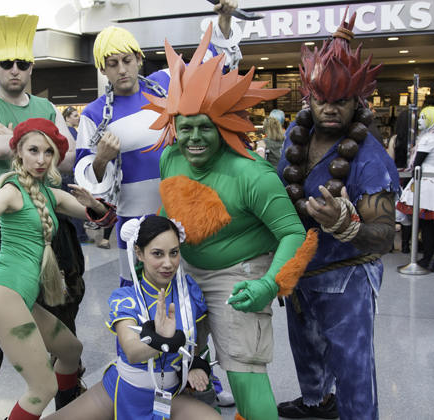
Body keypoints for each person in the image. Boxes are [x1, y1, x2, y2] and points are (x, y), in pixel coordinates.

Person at [144, 28, 317, 420]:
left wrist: (267, 284)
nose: (194, 137)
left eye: (205, 126)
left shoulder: (253, 175)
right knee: (177, 360)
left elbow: (292, 233)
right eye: (185, 126)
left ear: (223, 126)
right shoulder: (170, 158)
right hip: (184, 271)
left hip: (239, 274)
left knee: (243, 371)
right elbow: (170, 210)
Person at [276, 11, 400, 420]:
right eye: (321, 100)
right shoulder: (297, 135)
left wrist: (345, 224)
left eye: (340, 100)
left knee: (352, 367)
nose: (330, 108)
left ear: (357, 101)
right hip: (301, 272)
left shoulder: (370, 158)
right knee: (307, 354)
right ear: (309, 98)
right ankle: (318, 405)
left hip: (348, 278)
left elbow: (385, 236)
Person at [0, 118, 116, 420]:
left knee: (71, 351)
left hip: (23, 298)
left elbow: (102, 218)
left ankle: (68, 410)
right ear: (19, 153)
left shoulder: (50, 195)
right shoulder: (10, 191)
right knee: (42, 388)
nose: (41, 160)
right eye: (33, 151)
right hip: (3, 295)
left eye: (48, 152)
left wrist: (95, 204)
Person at [0, 14, 78, 420]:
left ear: (31, 68)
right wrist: (35, 137)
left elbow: (69, 156)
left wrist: (12, 133)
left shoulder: (46, 105)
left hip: (47, 221)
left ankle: (68, 397)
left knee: (62, 310)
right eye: (6, 63)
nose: (14, 70)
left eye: (22, 63)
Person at [75, 0, 240, 289]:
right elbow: (85, 180)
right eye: (112, 64)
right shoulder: (94, 113)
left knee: (189, 291)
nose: (122, 69)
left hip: (183, 210)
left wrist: (224, 19)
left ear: (139, 59)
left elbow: (212, 65)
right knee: (137, 294)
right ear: (103, 69)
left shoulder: (165, 80)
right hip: (134, 219)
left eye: (127, 60)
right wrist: (100, 159)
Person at [42, 215, 222, 420]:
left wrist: (193, 364)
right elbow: (132, 352)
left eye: (174, 253)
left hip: (171, 395)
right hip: (123, 390)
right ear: (139, 253)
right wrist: (162, 339)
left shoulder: (189, 291)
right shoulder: (126, 299)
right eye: (157, 254)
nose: (168, 263)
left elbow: (193, 340)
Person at [397, 107, 434, 269]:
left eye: (423, 117)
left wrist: (407, 183)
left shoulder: (428, 139)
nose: (419, 120)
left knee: (426, 222)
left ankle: (428, 258)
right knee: (432, 222)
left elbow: (417, 164)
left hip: (426, 181)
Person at [62, 106, 94, 245]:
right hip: (71, 173)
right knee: (75, 203)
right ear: (67, 118)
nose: (77, 118)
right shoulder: (71, 132)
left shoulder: (65, 132)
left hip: (65, 174)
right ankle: (80, 236)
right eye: (75, 116)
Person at [387, 110, 412, 252]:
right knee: (407, 211)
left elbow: (390, 161)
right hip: (411, 177)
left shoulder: (394, 139)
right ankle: (405, 246)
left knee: (393, 210)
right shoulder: (417, 139)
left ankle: (390, 245)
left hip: (397, 175)